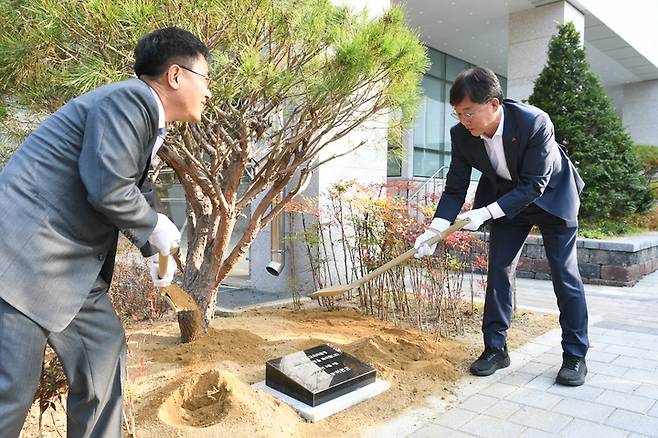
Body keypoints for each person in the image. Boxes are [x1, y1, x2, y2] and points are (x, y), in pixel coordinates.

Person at [0, 27, 212, 436]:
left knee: (102, 354)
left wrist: (156, 250)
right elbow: (108, 186)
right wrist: (154, 226)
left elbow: (136, 189)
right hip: (23, 263)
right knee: (10, 392)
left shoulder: (146, 119)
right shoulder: (129, 100)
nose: (208, 93)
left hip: (69, 272)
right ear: (175, 76)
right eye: (205, 80)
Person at [414, 66, 589, 386]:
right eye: (458, 114)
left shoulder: (534, 122)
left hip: (551, 197)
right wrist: (435, 230)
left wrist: (484, 213)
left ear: (493, 104)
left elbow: (536, 184)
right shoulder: (461, 136)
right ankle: (496, 349)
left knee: (564, 273)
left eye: (469, 113)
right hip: (507, 202)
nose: (464, 121)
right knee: (498, 271)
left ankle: (575, 355)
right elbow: (455, 187)